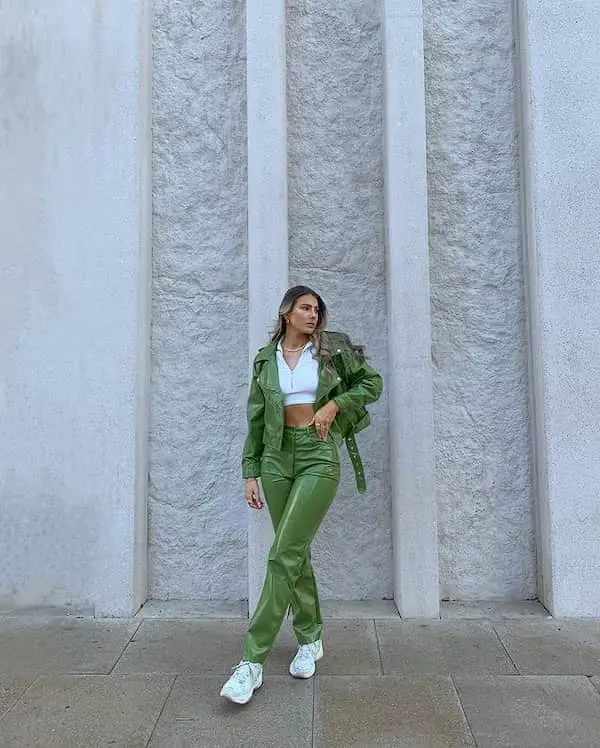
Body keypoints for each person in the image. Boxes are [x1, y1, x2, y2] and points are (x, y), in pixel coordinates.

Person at [220, 285, 383, 704]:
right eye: (305, 307)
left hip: (318, 455)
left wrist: (334, 405)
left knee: (282, 553)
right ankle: (310, 638)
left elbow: (372, 383)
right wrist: (250, 471)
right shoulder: (265, 359)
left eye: (317, 309)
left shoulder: (331, 351)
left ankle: (251, 661)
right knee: (294, 552)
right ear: (286, 312)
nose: (313, 315)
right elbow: (255, 419)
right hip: (275, 459)